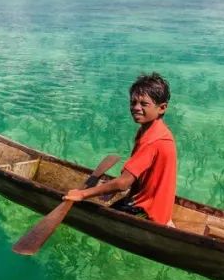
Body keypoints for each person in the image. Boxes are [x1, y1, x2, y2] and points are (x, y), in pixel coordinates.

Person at [63, 73, 178, 228]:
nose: (136, 108)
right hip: (155, 207)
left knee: (91, 223)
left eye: (144, 104)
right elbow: (136, 176)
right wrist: (113, 189)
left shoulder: (152, 141)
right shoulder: (155, 131)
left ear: (162, 108)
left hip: (146, 213)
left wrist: (82, 194)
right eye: (133, 102)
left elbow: (123, 183)